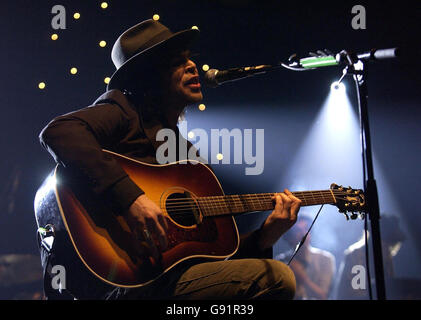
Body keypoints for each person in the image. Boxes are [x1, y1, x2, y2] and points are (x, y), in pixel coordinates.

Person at [39, 19, 301, 300]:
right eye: (177, 62)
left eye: (190, 60)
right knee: (277, 278)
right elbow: (59, 131)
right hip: (118, 284)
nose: (192, 67)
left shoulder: (187, 159)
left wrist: (267, 235)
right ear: (148, 76)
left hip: (163, 283)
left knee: (269, 275)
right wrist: (130, 198)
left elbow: (214, 261)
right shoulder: (122, 111)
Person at [276, 213, 336, 299]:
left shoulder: (325, 259)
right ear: (289, 236)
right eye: (298, 230)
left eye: (306, 229)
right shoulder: (281, 261)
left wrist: (302, 277)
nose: (303, 234)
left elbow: (323, 296)